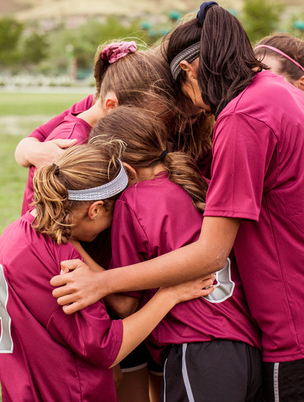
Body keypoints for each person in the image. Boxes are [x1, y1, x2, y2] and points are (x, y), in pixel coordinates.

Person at [50, 2, 304, 401]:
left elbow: (209, 255)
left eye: (182, 92)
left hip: (303, 311)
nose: (194, 109)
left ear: (189, 71)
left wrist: (101, 282)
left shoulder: (242, 115)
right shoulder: (277, 89)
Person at [0, 143, 215, 401]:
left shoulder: (15, 233)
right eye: (113, 215)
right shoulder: (62, 260)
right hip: (69, 393)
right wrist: (170, 293)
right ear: (95, 210)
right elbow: (107, 348)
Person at [90, 106, 263, 401]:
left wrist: (76, 249)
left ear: (125, 171)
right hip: (246, 345)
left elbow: (124, 305)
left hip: (198, 350)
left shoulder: (133, 202)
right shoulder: (197, 182)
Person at [19, 40, 173, 215]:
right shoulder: (72, 144)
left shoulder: (95, 109)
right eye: (143, 122)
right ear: (112, 106)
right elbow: (63, 222)